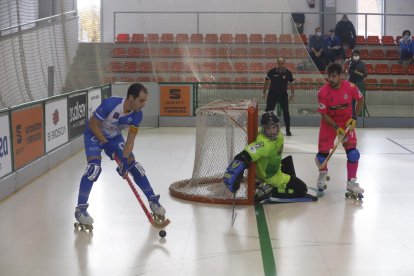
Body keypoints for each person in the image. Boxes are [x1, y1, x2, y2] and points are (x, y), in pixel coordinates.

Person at [74, 83, 166, 227]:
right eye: (141, 100)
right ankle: (80, 210)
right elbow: (92, 123)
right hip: (94, 134)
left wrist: (123, 161)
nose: (144, 104)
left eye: (145, 101)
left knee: (133, 166)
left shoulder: (137, 115)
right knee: (94, 169)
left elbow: (130, 141)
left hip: (114, 137)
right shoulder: (111, 103)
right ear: (131, 98)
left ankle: (153, 200)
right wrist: (105, 143)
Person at [223, 111, 310, 203]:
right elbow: (244, 155)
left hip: (275, 166)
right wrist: (236, 170)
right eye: (268, 128)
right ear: (264, 128)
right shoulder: (264, 145)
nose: (272, 131)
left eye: (274, 127)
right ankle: (270, 191)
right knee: (302, 189)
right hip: (272, 176)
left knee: (288, 161)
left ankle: (269, 186)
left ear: (278, 126)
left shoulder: (278, 134)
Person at [315, 63, 365, 196]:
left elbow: (360, 100)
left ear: (341, 76)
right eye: (329, 76)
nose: (330, 79)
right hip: (329, 124)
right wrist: (336, 127)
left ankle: (351, 182)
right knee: (321, 157)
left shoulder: (351, 87)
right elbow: (324, 114)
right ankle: (322, 173)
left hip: (346, 123)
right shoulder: (322, 92)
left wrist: (354, 117)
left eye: (334, 76)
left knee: (353, 154)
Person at [262, 57, 295, 136]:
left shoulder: (288, 73)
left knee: (286, 112)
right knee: (268, 112)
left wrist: (292, 93)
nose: (281, 65)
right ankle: (265, 129)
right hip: (272, 94)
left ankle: (288, 130)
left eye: (282, 63)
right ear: (277, 63)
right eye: (279, 63)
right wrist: (264, 92)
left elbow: (292, 83)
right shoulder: (272, 71)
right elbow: (266, 81)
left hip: (283, 95)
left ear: (284, 63)